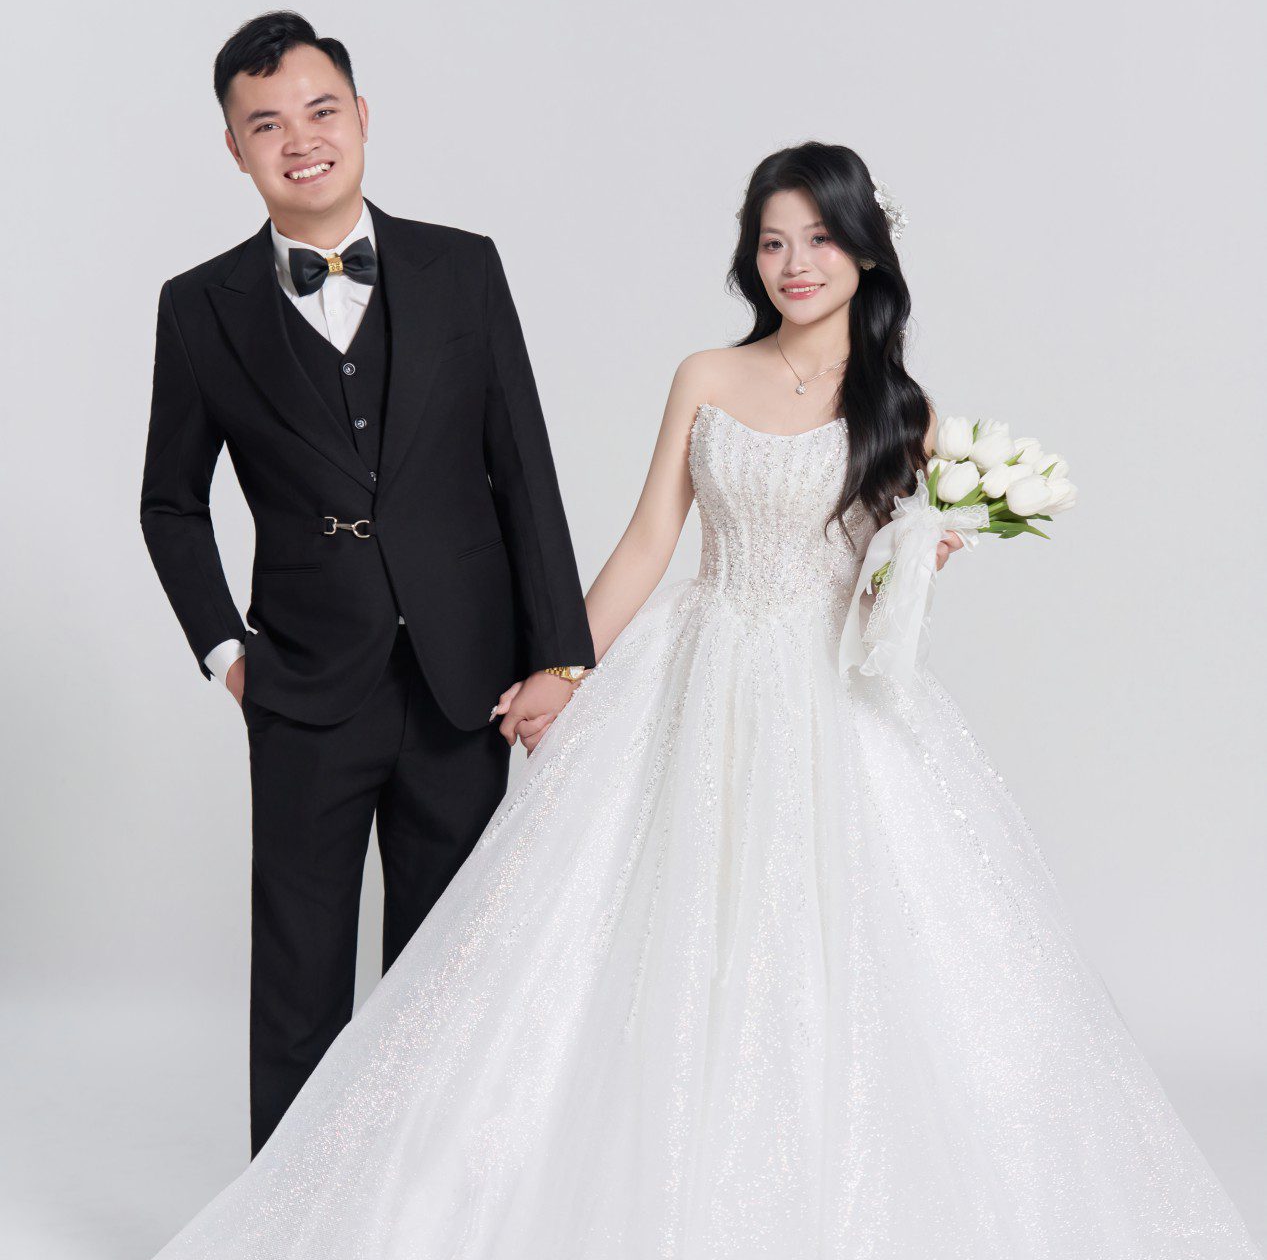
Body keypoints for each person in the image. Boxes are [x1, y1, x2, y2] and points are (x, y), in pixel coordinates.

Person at [150, 143, 1263, 1258]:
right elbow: (649, 542)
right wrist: (564, 667)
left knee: (848, 948)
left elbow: (886, 589)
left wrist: (919, 560)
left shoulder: (905, 410)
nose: (794, 263)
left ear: (865, 253)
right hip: (699, 672)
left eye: (817, 239)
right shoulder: (706, 375)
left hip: (833, 701)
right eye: (772, 243)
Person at [139, 11, 594, 1157]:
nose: (300, 139)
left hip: (462, 676)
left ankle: (431, 1204)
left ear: (361, 117)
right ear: (234, 148)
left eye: (320, 110)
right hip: (301, 682)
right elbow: (170, 501)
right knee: (298, 977)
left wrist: (558, 654)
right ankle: (288, 1220)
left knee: (447, 970)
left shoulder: (463, 266)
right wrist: (229, 654)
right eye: (266, 124)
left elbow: (521, 464)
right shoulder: (198, 306)